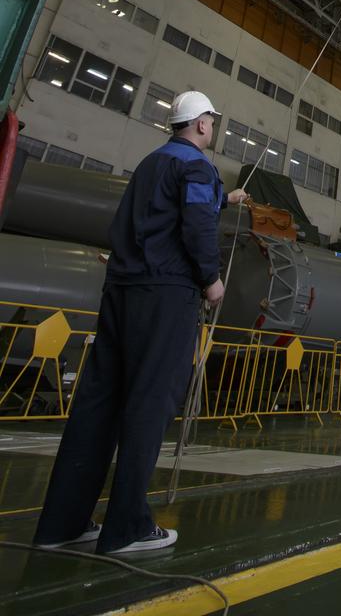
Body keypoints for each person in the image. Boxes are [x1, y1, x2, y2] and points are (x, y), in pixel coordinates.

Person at [33, 91, 247, 554]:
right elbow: (195, 225)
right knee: (150, 402)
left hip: (121, 293)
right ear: (203, 125)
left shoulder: (151, 164)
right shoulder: (197, 167)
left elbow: (170, 209)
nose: (213, 126)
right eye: (213, 119)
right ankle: (126, 527)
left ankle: (62, 523)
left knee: (99, 401)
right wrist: (211, 280)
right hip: (166, 294)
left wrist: (225, 199)